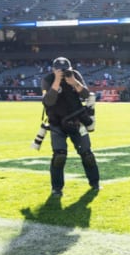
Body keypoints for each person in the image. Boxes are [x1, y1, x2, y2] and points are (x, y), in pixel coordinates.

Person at [41, 56, 100, 196]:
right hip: (56, 123)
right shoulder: (47, 80)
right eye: (60, 70)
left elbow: (87, 96)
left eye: (66, 70)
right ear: (54, 70)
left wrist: (74, 82)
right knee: (59, 156)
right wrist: (56, 81)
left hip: (77, 121)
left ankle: (95, 183)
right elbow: (47, 102)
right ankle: (56, 188)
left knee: (87, 154)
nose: (63, 73)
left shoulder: (75, 75)